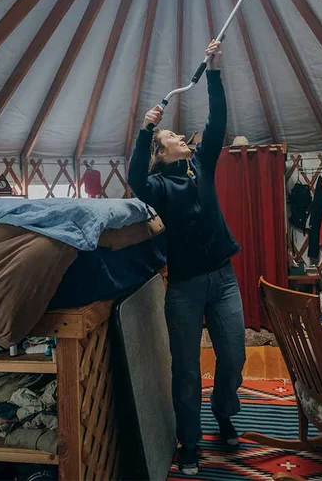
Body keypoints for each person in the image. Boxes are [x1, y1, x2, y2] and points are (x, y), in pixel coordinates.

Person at [128, 39, 246, 477]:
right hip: (185, 288)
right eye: (174, 137)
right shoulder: (158, 187)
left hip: (224, 279)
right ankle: (191, 444)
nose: (183, 138)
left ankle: (224, 415)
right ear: (162, 152)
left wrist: (212, 72)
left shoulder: (204, 168)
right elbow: (136, 178)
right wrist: (145, 130)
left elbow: (217, 124)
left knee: (234, 358)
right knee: (188, 372)